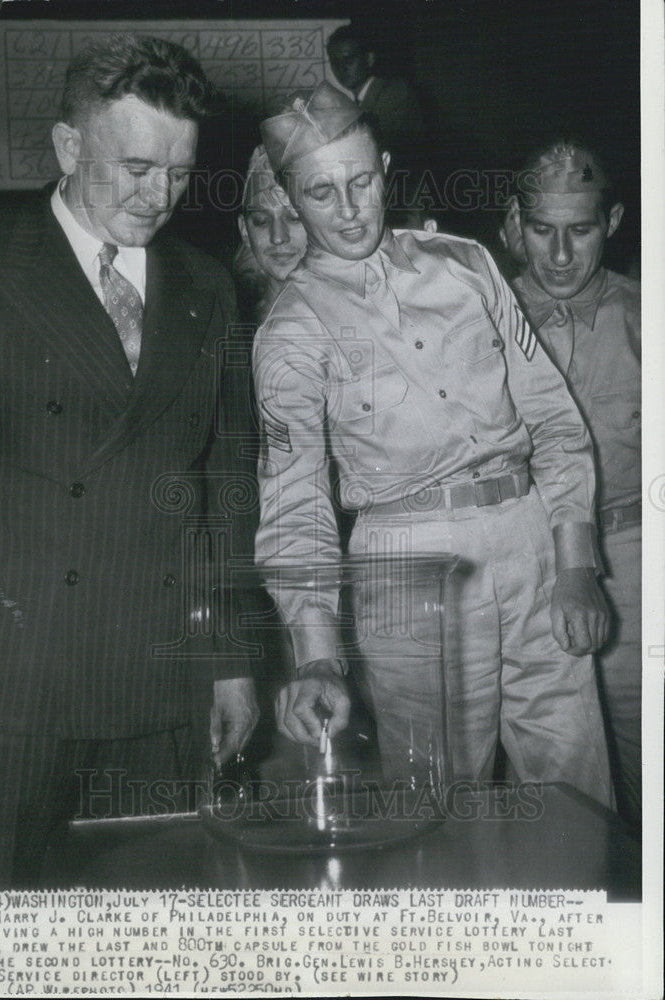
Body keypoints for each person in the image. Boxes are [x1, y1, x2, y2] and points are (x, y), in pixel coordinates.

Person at [0, 33, 258, 889]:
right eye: (132, 168)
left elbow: (228, 491)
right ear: (65, 146)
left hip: (159, 680)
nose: (157, 196)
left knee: (155, 919)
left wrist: (230, 658)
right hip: (12, 676)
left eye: (178, 172)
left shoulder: (207, 289)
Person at [253, 81, 613, 806]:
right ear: (292, 200)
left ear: (385, 166)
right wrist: (318, 656)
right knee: (439, 806)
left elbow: (550, 412)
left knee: (580, 794)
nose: (349, 209)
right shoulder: (289, 330)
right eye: (321, 194)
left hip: (530, 539)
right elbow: (294, 503)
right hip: (406, 569)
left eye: (361, 181)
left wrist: (574, 561)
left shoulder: (465, 264)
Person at [510, 141, 641, 829]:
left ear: (612, 220)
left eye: (580, 230)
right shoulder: (476, 318)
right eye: (541, 230)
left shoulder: (644, 319)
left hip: (633, 561)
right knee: (555, 790)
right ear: (513, 223)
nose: (559, 254)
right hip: (517, 566)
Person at [326, 25, 425, 224]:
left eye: (349, 59)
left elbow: (390, 151)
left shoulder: (394, 93)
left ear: (369, 59)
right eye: (335, 62)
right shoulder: (351, 105)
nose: (341, 68)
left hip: (401, 204)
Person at [234, 145, 308, 326]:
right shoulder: (231, 320)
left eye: (294, 217)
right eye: (261, 220)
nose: (278, 237)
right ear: (245, 230)